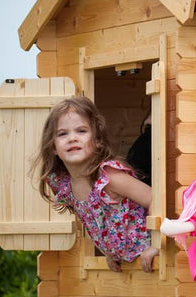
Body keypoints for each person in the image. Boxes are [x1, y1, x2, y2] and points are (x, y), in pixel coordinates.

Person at [32, 96, 158, 273]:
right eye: (62, 134)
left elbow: (156, 199)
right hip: (129, 265)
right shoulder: (64, 184)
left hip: (153, 256)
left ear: (98, 140)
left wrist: (158, 245)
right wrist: (110, 251)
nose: (72, 138)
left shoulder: (109, 178)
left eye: (81, 131)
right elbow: (95, 219)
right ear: (53, 146)